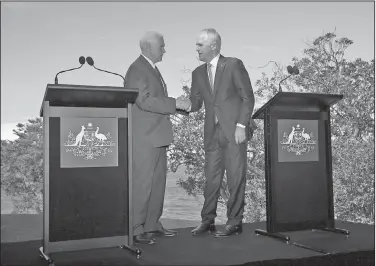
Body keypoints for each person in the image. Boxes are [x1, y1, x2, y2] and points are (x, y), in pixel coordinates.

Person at [179, 28, 255, 238]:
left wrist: (241, 126)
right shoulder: (197, 73)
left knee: (235, 178)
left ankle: (235, 222)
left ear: (213, 45)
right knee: (211, 179)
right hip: (212, 134)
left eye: (199, 45)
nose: (196, 49)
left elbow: (248, 97)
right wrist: (180, 104)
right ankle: (207, 221)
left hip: (234, 132)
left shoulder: (233, 64)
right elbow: (195, 104)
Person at [125, 31, 187, 244]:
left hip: (157, 135)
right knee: (143, 183)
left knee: (157, 183)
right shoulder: (136, 69)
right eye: (162, 46)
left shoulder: (151, 69)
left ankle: (151, 224)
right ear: (149, 48)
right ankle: (135, 227)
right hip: (144, 137)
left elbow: (153, 101)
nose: (164, 49)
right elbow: (144, 101)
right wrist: (175, 103)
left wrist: (178, 106)